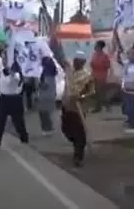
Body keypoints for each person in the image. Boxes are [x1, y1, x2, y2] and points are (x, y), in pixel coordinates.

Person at [51, 30, 94, 167]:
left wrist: (80, 96)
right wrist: (54, 40)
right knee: (66, 129)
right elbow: (60, 58)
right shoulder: (70, 71)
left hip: (78, 108)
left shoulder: (87, 75)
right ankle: (76, 144)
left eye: (79, 61)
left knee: (79, 133)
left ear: (83, 62)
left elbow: (91, 92)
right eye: (75, 60)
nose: (76, 63)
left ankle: (78, 156)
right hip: (66, 106)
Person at [0, 60, 29, 148]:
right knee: (0, 120)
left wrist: (12, 72)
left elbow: (16, 79)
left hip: (14, 99)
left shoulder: (16, 75)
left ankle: (24, 138)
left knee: (18, 121)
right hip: (3, 98)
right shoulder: (1, 73)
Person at [37, 54, 58, 136]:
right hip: (50, 94)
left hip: (45, 95)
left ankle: (47, 128)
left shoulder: (45, 73)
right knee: (47, 112)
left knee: (43, 112)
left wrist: (38, 84)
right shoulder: (52, 72)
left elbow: (44, 85)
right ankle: (48, 128)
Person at [90, 39, 112, 113]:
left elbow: (108, 65)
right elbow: (92, 64)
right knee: (96, 92)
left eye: (96, 45)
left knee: (100, 92)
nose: (95, 46)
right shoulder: (94, 54)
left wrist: (101, 65)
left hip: (101, 76)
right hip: (94, 75)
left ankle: (103, 106)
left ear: (99, 46)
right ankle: (99, 107)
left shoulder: (105, 56)